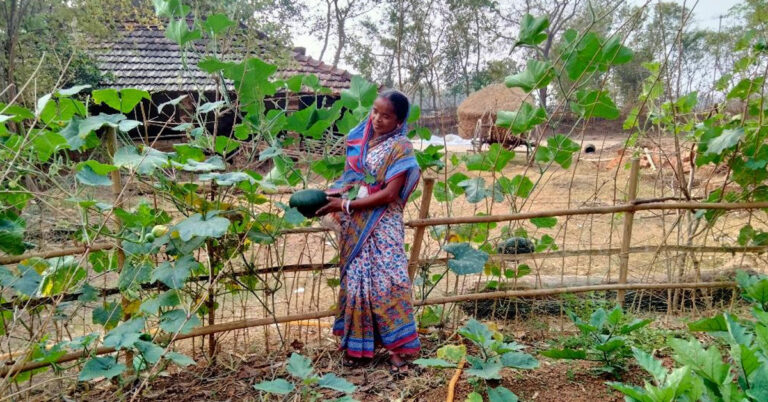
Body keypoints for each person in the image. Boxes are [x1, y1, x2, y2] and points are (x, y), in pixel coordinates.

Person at [315, 89, 421, 373]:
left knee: (388, 284)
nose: (377, 119)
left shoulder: (401, 147)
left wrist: (346, 204)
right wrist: (334, 196)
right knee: (357, 283)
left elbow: (389, 195)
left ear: (399, 121)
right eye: (375, 111)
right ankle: (359, 349)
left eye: (386, 116)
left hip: (382, 226)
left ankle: (398, 350)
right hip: (355, 223)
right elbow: (352, 180)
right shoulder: (361, 140)